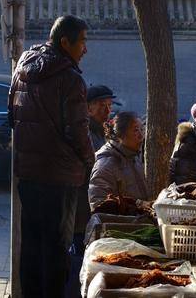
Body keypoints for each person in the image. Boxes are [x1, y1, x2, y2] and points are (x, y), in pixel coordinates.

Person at [8, 15, 93, 298]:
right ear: (65, 42)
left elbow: (12, 116)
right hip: (60, 179)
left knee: (31, 247)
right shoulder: (70, 79)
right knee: (57, 252)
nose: (85, 50)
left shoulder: (22, 67)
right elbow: (79, 132)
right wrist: (89, 162)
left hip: (29, 174)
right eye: (82, 42)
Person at [66, 85, 118, 297]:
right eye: (101, 106)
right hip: (80, 206)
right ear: (88, 108)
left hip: (90, 207)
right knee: (79, 256)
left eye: (109, 105)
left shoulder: (103, 131)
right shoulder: (86, 133)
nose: (107, 110)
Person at [88, 111, 149, 210]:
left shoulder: (133, 158)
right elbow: (98, 204)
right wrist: (137, 207)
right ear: (121, 135)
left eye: (142, 129)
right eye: (136, 130)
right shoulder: (106, 165)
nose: (141, 136)